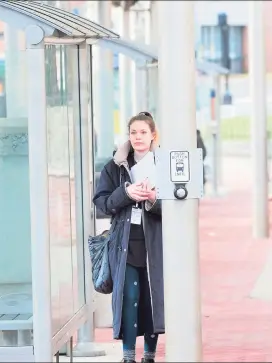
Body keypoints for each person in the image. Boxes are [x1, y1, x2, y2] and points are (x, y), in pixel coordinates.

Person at [93, 111, 164, 363]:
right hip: (124, 245)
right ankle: (128, 356)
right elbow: (101, 203)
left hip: (155, 245)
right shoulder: (115, 166)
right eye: (133, 132)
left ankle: (149, 355)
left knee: (152, 298)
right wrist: (127, 193)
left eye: (143, 132)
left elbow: (178, 209)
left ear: (153, 135)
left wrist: (154, 201)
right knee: (129, 297)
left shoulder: (163, 164)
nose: (138, 137)